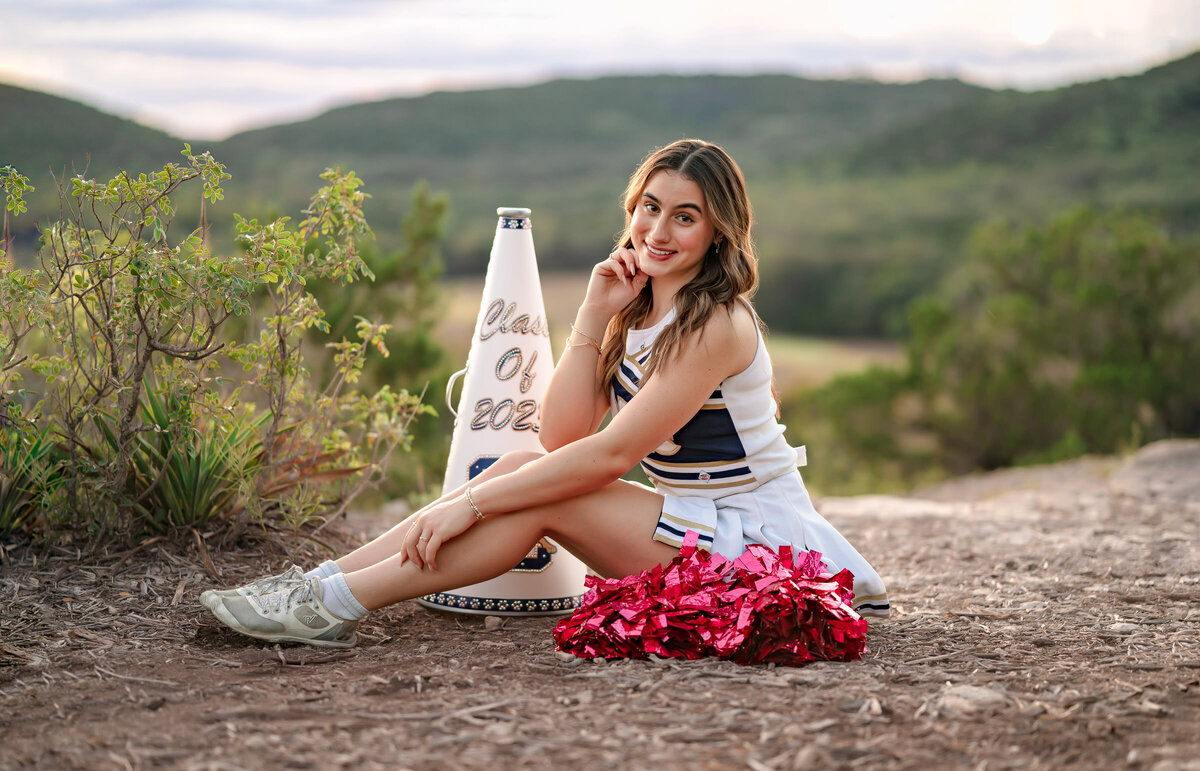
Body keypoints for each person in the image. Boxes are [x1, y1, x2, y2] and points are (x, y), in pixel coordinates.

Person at [201, 139, 890, 648]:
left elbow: (605, 456)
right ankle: (314, 586)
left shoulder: (718, 321)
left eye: (685, 217)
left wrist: (470, 503)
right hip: (698, 520)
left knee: (535, 486)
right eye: (650, 207)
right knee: (515, 467)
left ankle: (335, 604)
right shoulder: (637, 310)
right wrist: (593, 315)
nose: (657, 230)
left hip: (760, 542)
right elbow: (561, 435)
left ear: (717, 231)